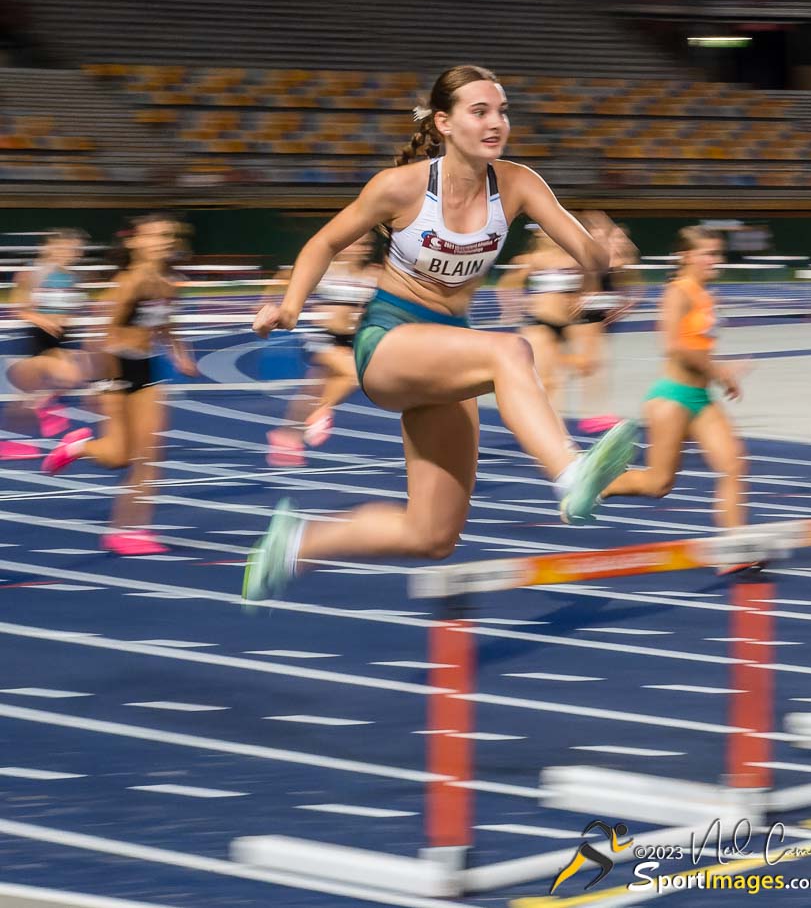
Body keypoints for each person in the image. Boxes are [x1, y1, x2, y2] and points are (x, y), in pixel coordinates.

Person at [241, 64, 638, 603]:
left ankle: (296, 545)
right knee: (509, 351)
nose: (496, 122)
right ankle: (570, 475)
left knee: (433, 535)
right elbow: (323, 243)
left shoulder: (519, 183)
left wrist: (599, 279)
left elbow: (587, 250)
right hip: (389, 342)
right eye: (480, 112)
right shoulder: (400, 188)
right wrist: (289, 305)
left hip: (447, 351)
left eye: (502, 111)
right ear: (445, 123)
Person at [42, 214, 197, 555]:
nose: (162, 240)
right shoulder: (129, 282)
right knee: (117, 456)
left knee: (150, 454)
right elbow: (102, 335)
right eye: (153, 235)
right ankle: (77, 447)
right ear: (134, 242)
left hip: (146, 369)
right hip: (115, 368)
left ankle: (129, 530)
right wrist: (103, 387)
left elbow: (164, 322)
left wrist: (180, 354)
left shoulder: (168, 280)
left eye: (167, 234)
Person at [601, 226, 747, 532]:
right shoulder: (677, 292)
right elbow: (674, 346)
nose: (715, 260)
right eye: (707, 254)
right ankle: (603, 484)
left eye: (717, 253)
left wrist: (720, 376)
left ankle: (736, 548)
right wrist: (718, 370)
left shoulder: (706, 295)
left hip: (702, 399)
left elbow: (698, 349)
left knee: (733, 465)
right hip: (672, 399)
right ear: (686, 256)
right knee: (659, 484)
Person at [266, 234, 380, 466]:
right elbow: (285, 275)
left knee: (313, 391)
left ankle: (287, 436)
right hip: (321, 339)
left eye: (366, 244)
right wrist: (267, 302)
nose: (361, 248)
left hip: (350, 340)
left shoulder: (373, 274)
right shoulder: (326, 270)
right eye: (355, 242)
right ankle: (317, 416)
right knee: (354, 374)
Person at [3, 229, 88, 459]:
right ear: (48, 247)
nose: (69, 253)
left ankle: (21, 435)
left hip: (63, 336)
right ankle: (15, 440)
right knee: (51, 383)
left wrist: (68, 318)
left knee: (56, 384)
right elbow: (18, 308)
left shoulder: (72, 277)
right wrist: (43, 320)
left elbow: (72, 306)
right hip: (38, 337)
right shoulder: (33, 273)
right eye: (63, 247)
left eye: (73, 249)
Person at [496, 228, 584, 407]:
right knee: (546, 382)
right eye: (545, 232)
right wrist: (513, 309)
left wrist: (578, 302)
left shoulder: (574, 260)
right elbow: (506, 284)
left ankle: (553, 427)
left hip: (565, 325)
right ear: (538, 235)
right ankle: (534, 426)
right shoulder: (534, 259)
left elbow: (580, 290)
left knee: (555, 383)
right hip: (540, 324)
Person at [574, 212, 638, 435]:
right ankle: (592, 414)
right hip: (590, 312)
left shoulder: (611, 255)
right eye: (596, 230)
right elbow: (582, 281)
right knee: (593, 363)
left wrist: (623, 304)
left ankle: (595, 413)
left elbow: (625, 277)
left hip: (602, 311)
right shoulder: (587, 254)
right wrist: (581, 298)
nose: (601, 234)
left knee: (595, 363)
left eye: (604, 231)